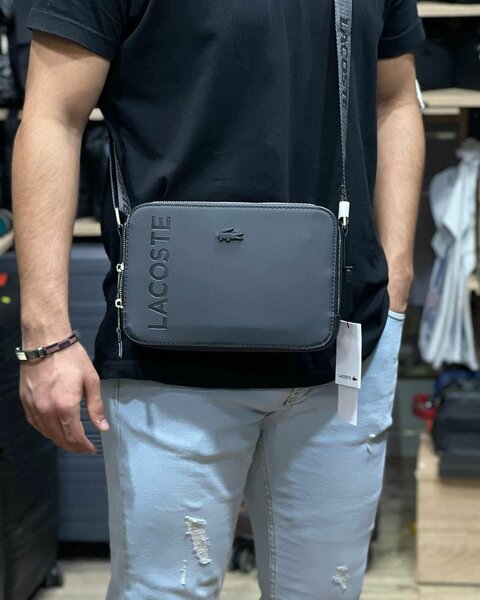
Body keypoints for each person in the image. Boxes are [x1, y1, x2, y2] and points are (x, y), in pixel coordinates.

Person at [12, 1, 425, 598]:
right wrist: (45, 334)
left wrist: (397, 274)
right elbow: (54, 116)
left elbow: (395, 99)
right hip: (170, 356)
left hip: (346, 348)